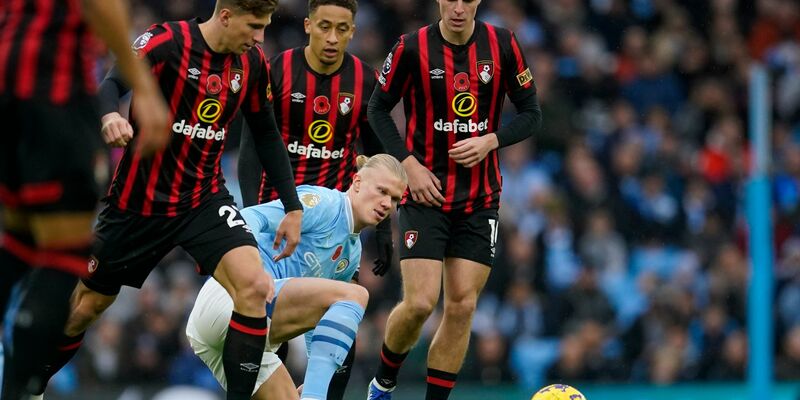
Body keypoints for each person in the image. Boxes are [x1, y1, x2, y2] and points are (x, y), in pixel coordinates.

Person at [27, 1, 305, 400]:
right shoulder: (165, 42)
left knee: (255, 285)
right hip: (137, 203)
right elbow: (110, 85)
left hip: (203, 199)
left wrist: (292, 206)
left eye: (265, 27)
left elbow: (266, 135)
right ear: (225, 15)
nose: (260, 37)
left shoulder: (252, 64)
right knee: (86, 307)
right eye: (254, 26)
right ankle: (30, 386)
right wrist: (110, 116)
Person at [365, 0, 543, 398]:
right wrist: (407, 164)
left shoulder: (503, 44)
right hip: (425, 192)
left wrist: (492, 140)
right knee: (421, 304)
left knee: (462, 307)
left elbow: (532, 112)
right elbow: (377, 109)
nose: (458, 7)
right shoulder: (411, 47)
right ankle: (383, 382)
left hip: (480, 199)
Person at [0, 0, 170, 398]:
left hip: (8, 78)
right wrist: (144, 88)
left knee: (20, 245)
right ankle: (18, 391)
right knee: (66, 255)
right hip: (53, 87)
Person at [236, 0, 391, 397]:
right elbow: (252, 147)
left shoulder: (364, 81)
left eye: (342, 29)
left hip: (334, 231)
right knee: (269, 334)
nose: (332, 38)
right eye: (324, 26)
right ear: (307, 25)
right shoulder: (277, 70)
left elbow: (377, 162)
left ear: (353, 30)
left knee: (341, 330)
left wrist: (387, 229)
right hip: (281, 226)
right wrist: (251, 217)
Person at [187, 154, 408, 400]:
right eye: (382, 191)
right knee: (356, 294)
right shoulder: (324, 203)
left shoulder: (352, 251)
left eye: (395, 199)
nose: (388, 203)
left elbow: (324, 319)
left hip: (239, 339)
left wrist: (314, 375)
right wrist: (251, 273)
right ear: (357, 183)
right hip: (232, 301)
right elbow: (248, 218)